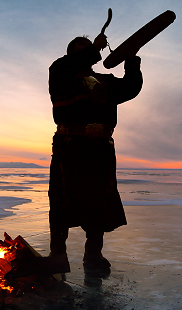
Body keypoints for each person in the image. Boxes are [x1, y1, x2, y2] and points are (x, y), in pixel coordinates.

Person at [47, 30, 143, 273]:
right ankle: (58, 255)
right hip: (69, 147)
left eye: (92, 48)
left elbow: (130, 88)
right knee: (61, 201)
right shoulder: (59, 73)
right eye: (85, 50)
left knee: (98, 201)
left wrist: (131, 59)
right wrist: (96, 48)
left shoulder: (104, 81)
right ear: (73, 55)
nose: (91, 52)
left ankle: (93, 255)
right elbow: (69, 64)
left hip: (99, 150)